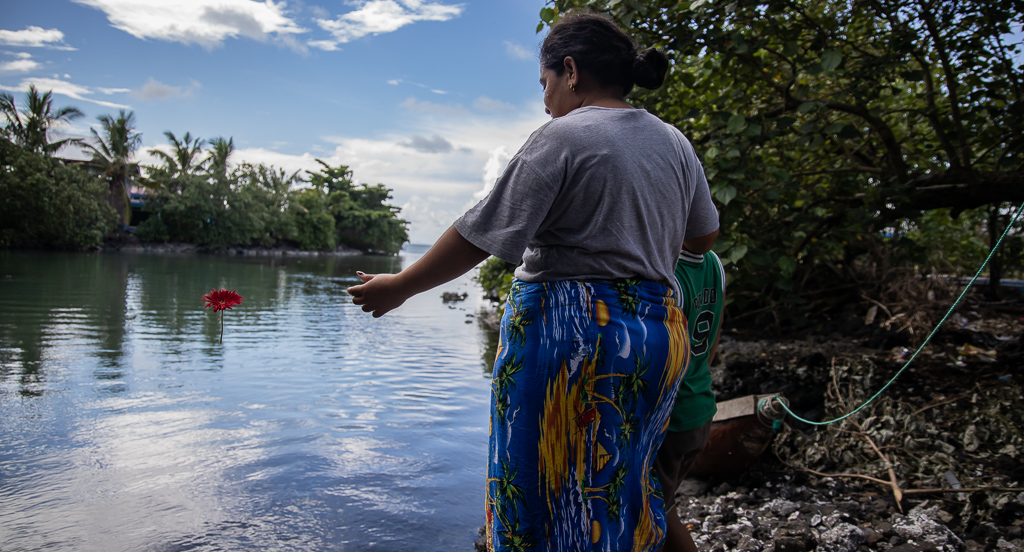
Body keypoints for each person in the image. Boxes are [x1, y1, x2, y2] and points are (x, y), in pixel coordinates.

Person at [347, 12, 719, 552]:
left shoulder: (562, 136)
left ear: (570, 71)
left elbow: (481, 232)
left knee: (536, 490)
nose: (545, 99)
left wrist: (400, 285)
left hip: (571, 336)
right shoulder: (673, 142)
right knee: (619, 489)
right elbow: (703, 238)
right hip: (656, 339)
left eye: (545, 84)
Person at [654, 248, 726, 552]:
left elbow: (660, 359)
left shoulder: (664, 266)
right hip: (701, 406)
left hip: (674, 414)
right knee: (663, 504)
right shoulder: (714, 263)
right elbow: (713, 344)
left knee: (659, 510)